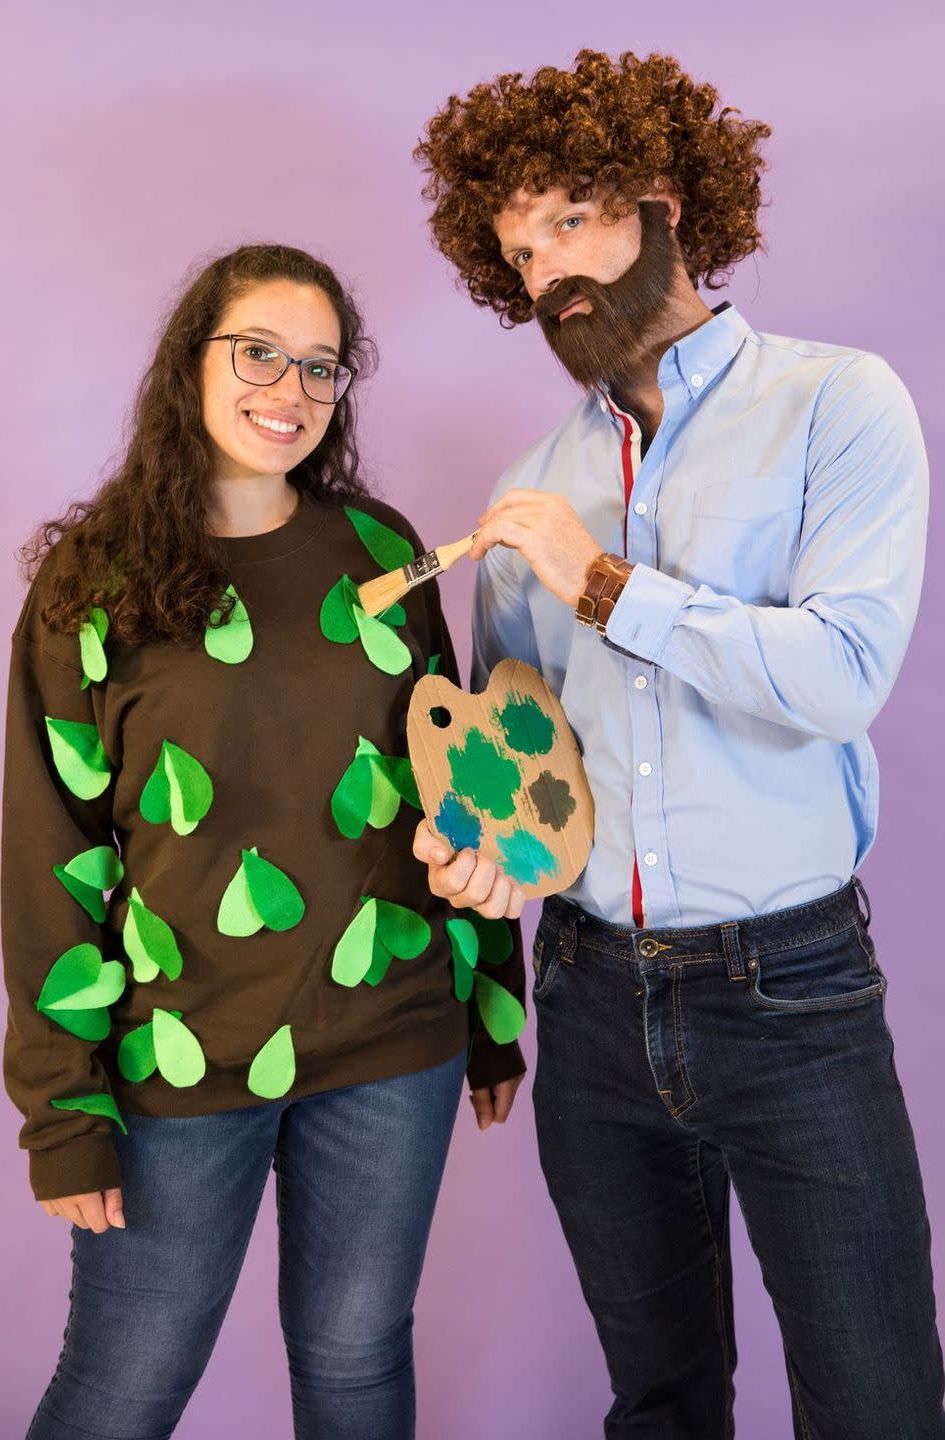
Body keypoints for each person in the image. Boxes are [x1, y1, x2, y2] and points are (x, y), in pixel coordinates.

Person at [412, 49, 944, 1438]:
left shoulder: (842, 404)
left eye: (570, 223)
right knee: (658, 1405)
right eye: (518, 253)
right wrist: (477, 848)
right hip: (586, 996)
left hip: (794, 991)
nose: (546, 277)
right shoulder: (527, 491)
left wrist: (604, 584)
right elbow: (516, 759)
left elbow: (839, 676)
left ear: (663, 198)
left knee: (880, 1404)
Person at [1, 242, 525, 1440]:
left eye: (323, 369)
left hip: (396, 1040)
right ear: (192, 361)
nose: (289, 391)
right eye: (258, 354)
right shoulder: (95, 583)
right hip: (182, 1060)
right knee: (123, 1389)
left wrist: (493, 1009)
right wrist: (65, 1112)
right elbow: (52, 856)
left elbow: (459, 787)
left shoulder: (384, 557)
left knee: (355, 1366)